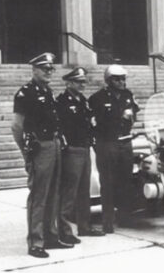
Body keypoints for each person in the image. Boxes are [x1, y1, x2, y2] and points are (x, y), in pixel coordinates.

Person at [11, 52, 70, 258]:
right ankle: (36, 242)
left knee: (53, 193)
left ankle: (51, 237)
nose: (48, 72)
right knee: (39, 195)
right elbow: (17, 126)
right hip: (39, 147)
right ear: (34, 70)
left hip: (54, 144)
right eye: (44, 68)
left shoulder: (49, 91)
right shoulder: (25, 93)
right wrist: (26, 152)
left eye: (51, 69)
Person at [88, 64, 139, 233]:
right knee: (107, 182)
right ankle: (107, 221)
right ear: (109, 81)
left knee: (125, 180)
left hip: (125, 142)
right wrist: (120, 116)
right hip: (107, 142)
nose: (121, 82)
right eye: (117, 79)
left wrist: (130, 117)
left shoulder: (128, 95)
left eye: (123, 79)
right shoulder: (98, 98)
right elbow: (98, 122)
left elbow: (134, 114)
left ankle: (125, 217)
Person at [56, 67, 103, 241]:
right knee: (69, 190)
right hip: (72, 149)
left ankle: (85, 226)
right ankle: (64, 229)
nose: (82, 85)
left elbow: (90, 123)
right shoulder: (61, 102)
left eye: (84, 82)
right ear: (68, 83)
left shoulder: (84, 101)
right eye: (78, 82)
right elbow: (59, 126)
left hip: (85, 147)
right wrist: (65, 146)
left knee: (84, 190)